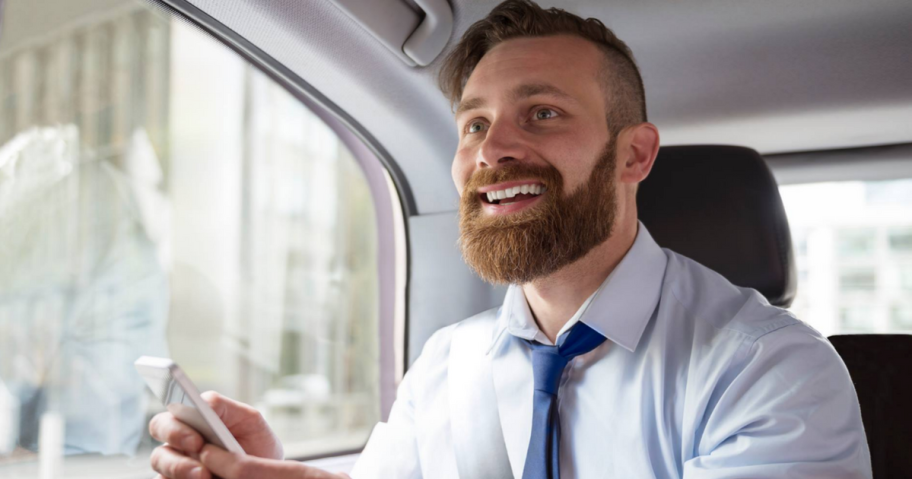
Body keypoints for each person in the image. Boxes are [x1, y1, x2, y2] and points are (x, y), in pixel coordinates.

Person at [147, 1, 872, 478]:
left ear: (635, 156)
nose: (493, 151)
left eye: (544, 114)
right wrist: (268, 466)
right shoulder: (446, 365)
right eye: (474, 124)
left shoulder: (772, 372)